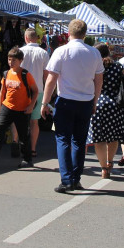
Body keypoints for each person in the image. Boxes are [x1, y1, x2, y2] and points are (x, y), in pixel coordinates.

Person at [41, 19, 103, 193]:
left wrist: (45, 103)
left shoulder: (61, 51)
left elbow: (51, 79)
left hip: (66, 100)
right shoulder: (94, 53)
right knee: (79, 141)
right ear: (85, 33)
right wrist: (95, 101)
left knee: (63, 139)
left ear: (69, 33)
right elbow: (99, 80)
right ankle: (75, 178)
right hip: (85, 101)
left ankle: (67, 180)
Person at [88, 43, 124, 179]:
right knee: (113, 136)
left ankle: (103, 168)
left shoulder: (94, 66)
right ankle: (110, 162)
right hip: (116, 105)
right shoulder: (117, 66)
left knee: (99, 138)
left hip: (98, 103)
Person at [0, 48, 37, 168]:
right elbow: (2, 92)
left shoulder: (25, 74)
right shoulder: (6, 74)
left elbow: (35, 91)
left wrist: (31, 105)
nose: (11, 62)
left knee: (24, 136)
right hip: (7, 108)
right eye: (9, 59)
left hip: (22, 110)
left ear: (21, 61)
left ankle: (27, 160)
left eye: (14, 60)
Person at [19, 28, 50, 157]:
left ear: (26, 38)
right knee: (34, 121)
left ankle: (16, 142)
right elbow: (46, 75)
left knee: (17, 119)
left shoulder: (19, 51)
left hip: (20, 89)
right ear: (36, 38)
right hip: (38, 90)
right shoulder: (43, 53)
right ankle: (32, 148)